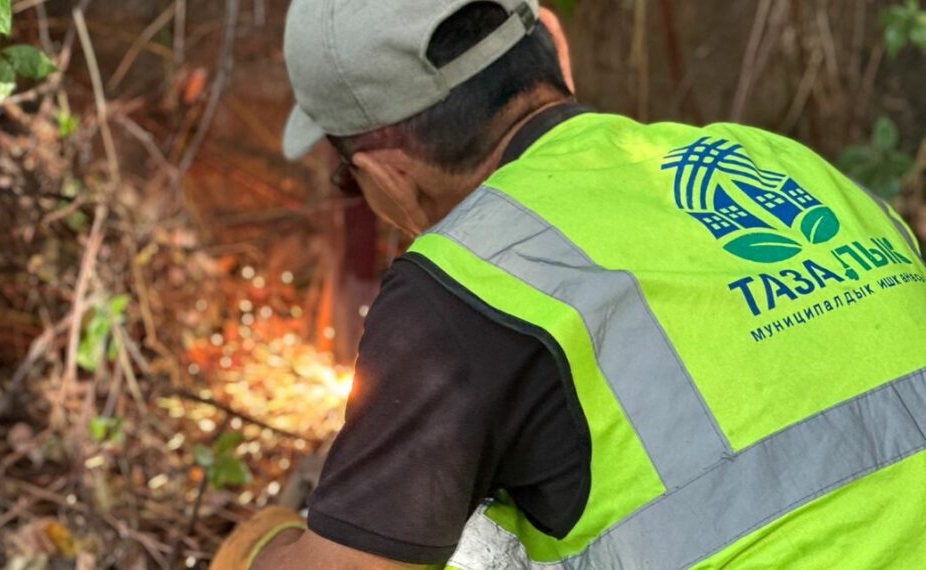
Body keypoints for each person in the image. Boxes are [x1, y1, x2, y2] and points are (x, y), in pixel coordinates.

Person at [213, 0, 926, 568]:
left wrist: (259, 548)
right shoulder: (782, 163)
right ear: (551, 43)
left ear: (386, 170)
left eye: (350, 179)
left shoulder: (459, 281)